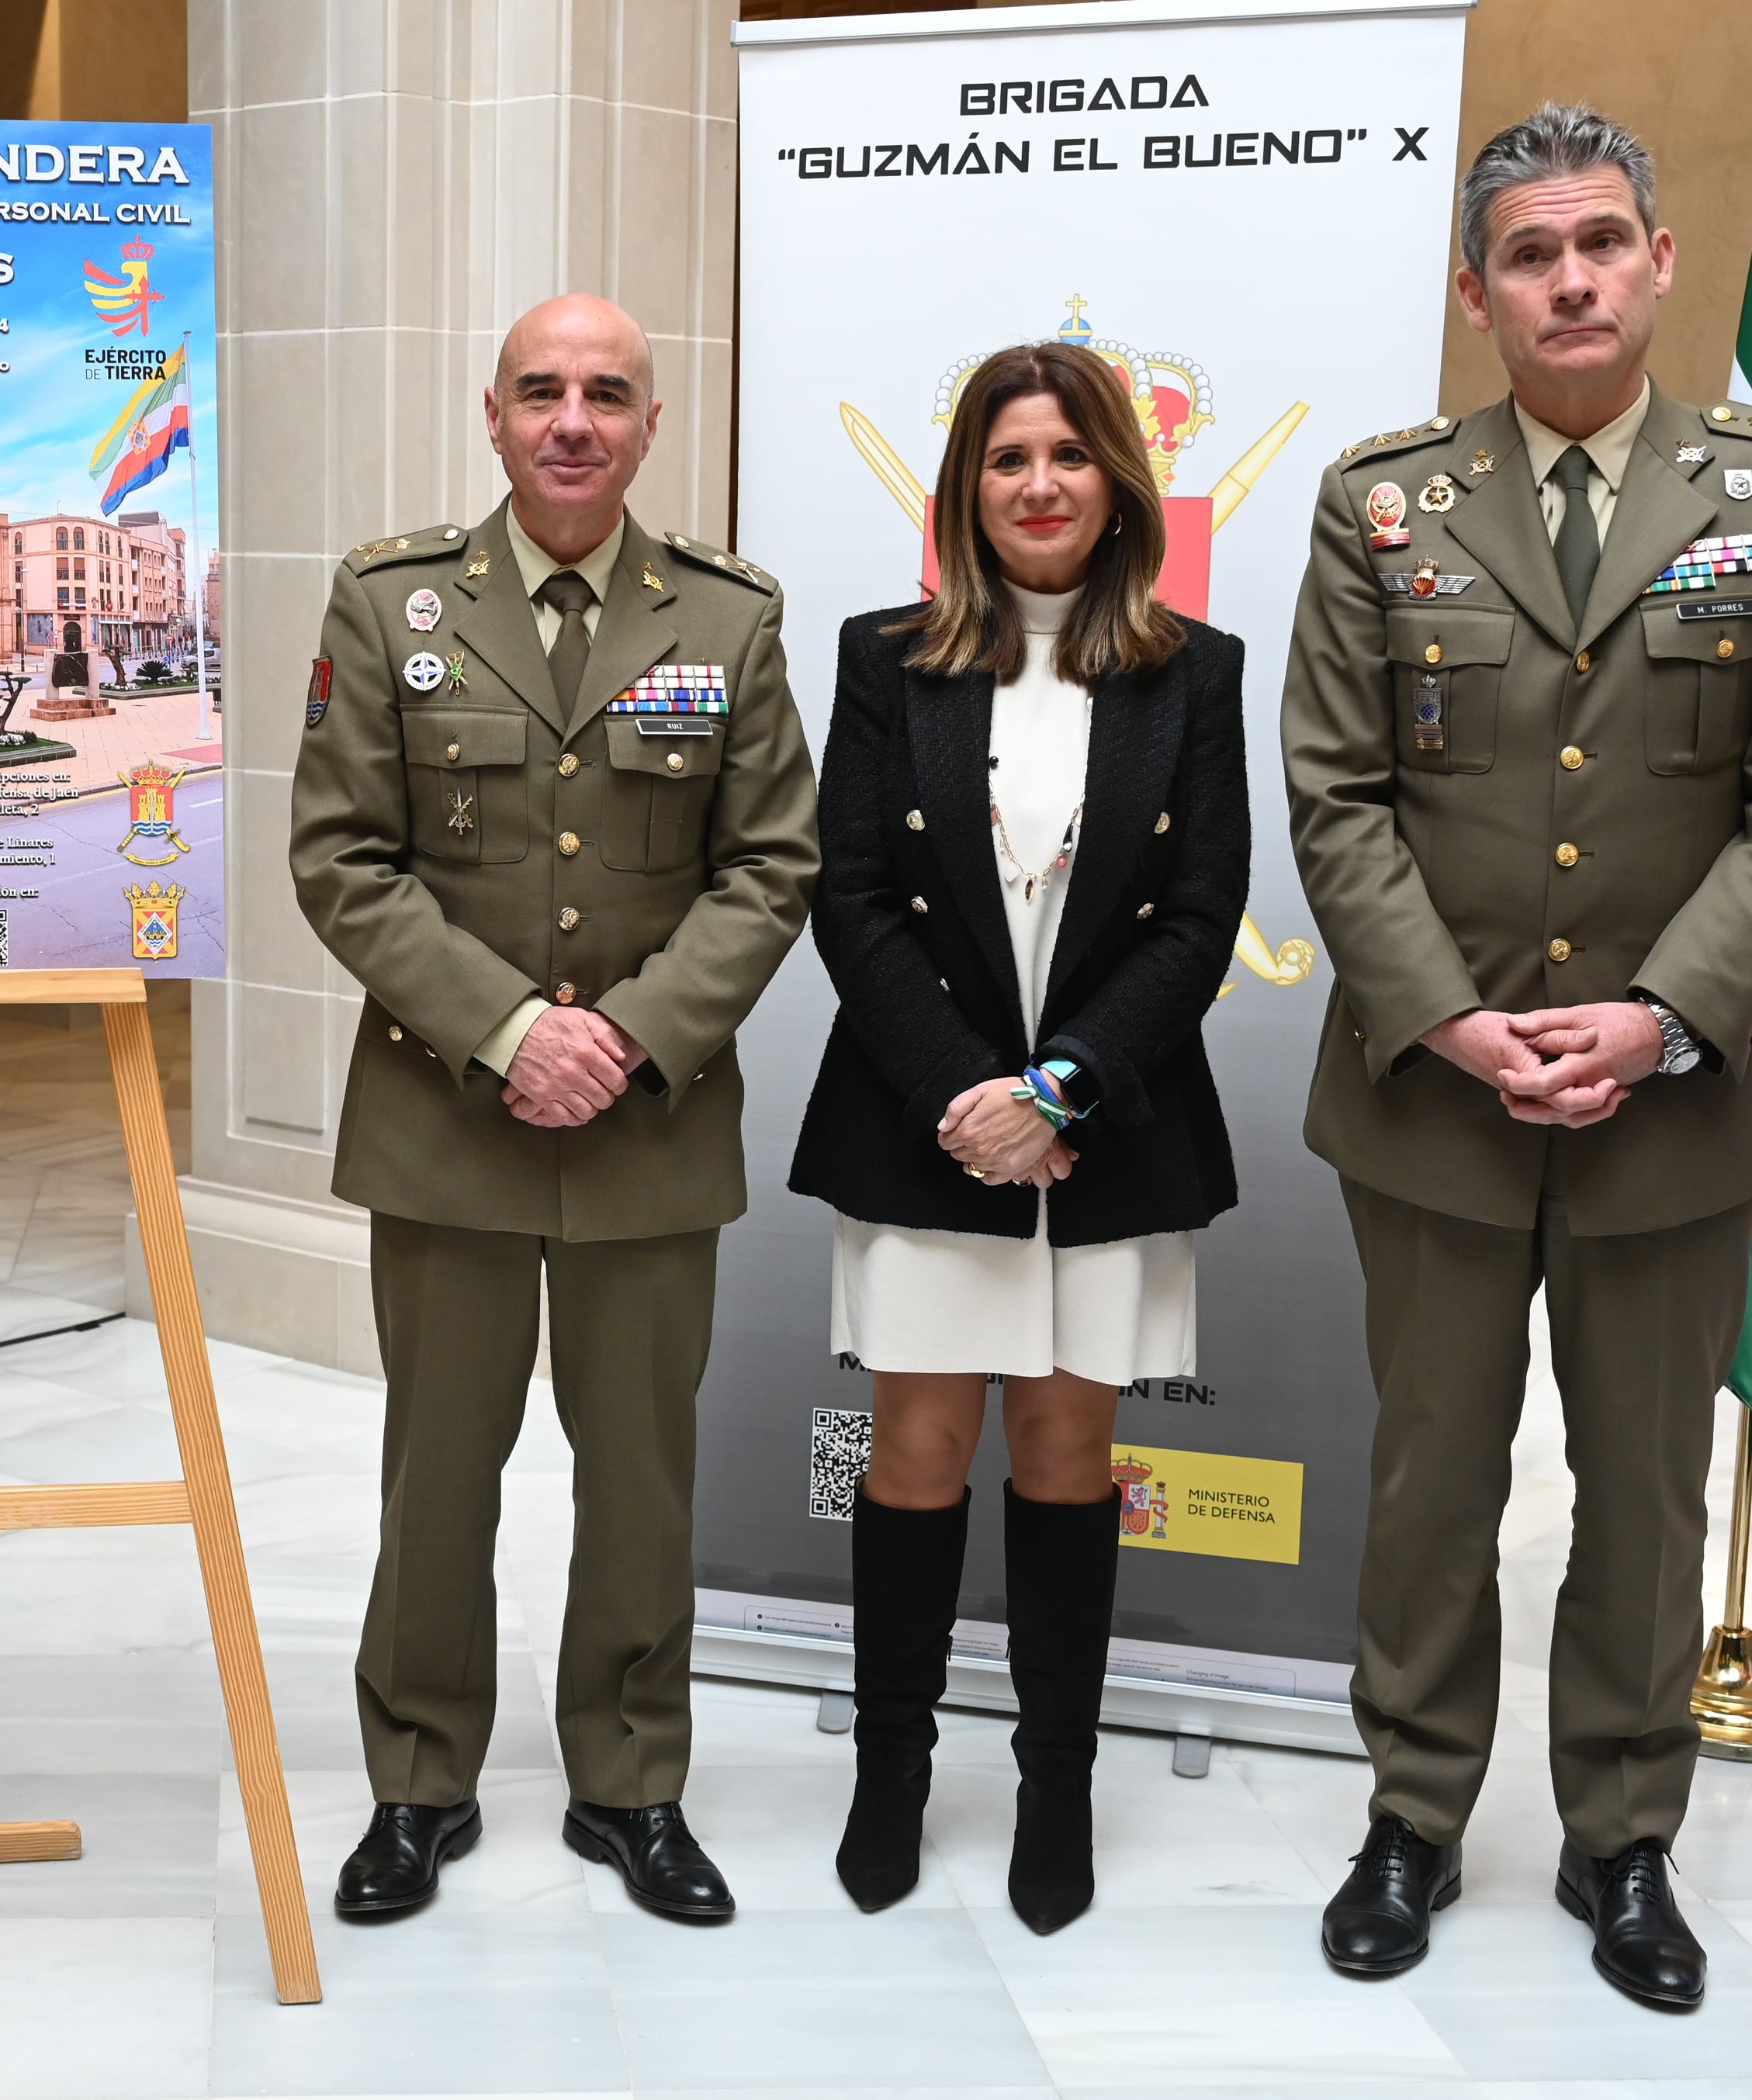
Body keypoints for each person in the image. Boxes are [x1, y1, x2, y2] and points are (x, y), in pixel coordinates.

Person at [1279, 103, 1752, 2008]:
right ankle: (1413, 1812)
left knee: (1636, 1495)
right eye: (1529, 252)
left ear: (1659, 263)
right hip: (1429, 1095)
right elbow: (1331, 791)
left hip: (1669, 1106)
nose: (1568, 278)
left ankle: (1623, 1842)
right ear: (1476, 291)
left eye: (1600, 241)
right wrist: (1450, 1020)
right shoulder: (1379, 504)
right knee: (1428, 1481)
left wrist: (1656, 1016)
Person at [289, 294, 819, 1922]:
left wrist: (632, 1035)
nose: (574, 419)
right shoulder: (393, 604)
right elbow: (340, 858)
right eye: (543, 391)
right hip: (447, 1122)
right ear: (496, 416)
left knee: (642, 1475)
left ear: (652, 425)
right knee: (437, 1468)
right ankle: (417, 1779)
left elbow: (773, 861)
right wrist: (510, 1028)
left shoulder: (725, 619)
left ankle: (632, 1780)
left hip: (651, 1123)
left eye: (608, 393)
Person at [789, 341, 1252, 1935]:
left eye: (1066, 454)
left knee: (1069, 1454)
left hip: (1108, 1131)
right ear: (964, 493)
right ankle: (892, 1779)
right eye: (1006, 459)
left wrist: (1061, 1093)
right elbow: (847, 894)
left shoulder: (1194, 668)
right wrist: (969, 1099)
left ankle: (1058, 1783)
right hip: (923, 1124)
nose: (1039, 484)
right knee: (916, 1451)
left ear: (1118, 479)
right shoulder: (883, 655)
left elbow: (1199, 917)